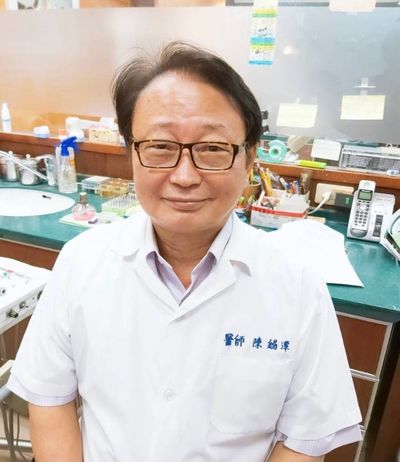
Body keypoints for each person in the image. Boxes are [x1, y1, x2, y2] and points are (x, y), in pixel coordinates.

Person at [7, 41, 361, 462]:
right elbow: (50, 398)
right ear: (131, 152)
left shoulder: (298, 288)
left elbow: (304, 441)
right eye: (160, 146)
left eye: (212, 148)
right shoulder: (81, 262)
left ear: (249, 158)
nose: (185, 176)